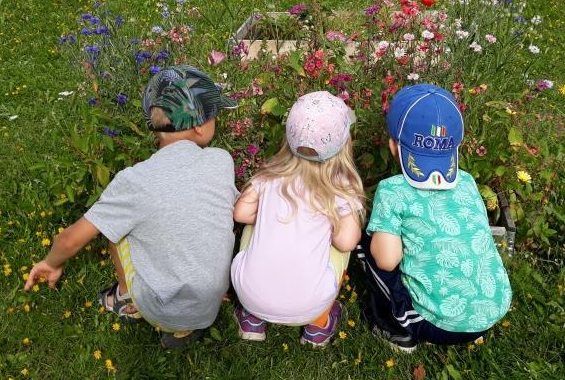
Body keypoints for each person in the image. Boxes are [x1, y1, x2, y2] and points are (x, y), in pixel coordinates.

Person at [23, 65, 239, 348]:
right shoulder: (221, 160)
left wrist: (51, 263)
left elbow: (70, 239)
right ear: (200, 124)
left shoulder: (134, 181)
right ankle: (185, 327)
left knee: (116, 229)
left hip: (160, 309)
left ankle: (127, 297)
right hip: (211, 301)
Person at [357, 84, 512, 353]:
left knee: (367, 246)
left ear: (394, 146)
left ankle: (397, 330)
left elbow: (386, 260)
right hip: (492, 312)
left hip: (436, 326)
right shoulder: (466, 182)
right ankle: (468, 323)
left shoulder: (393, 191)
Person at [231, 91, 364, 347]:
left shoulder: (269, 175)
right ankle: (318, 325)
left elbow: (241, 213)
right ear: (344, 143)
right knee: (340, 244)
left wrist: (272, 215)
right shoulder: (339, 187)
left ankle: (252, 319)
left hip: (250, 293)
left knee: (252, 227)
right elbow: (347, 242)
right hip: (310, 302)